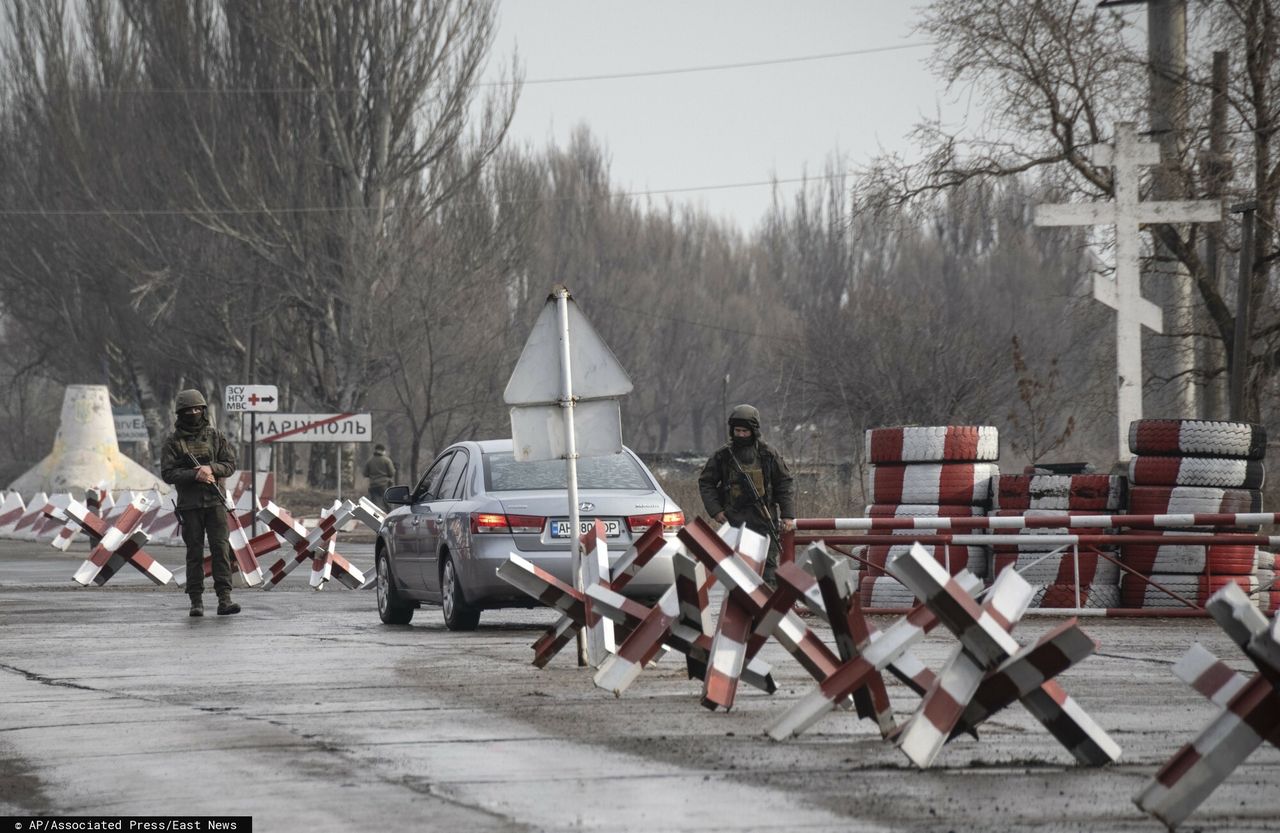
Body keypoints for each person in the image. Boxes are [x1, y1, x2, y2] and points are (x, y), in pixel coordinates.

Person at [160, 389, 240, 617]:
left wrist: (211, 469)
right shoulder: (173, 442)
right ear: (180, 413)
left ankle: (224, 598)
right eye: (189, 410)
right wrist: (193, 475)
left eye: (197, 409)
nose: (194, 413)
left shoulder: (215, 436)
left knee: (221, 550)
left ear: (203, 411)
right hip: (190, 506)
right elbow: (168, 473)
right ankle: (196, 601)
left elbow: (229, 464)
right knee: (194, 553)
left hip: (215, 502)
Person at [698, 404, 796, 586]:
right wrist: (716, 511)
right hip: (735, 523)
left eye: (745, 431)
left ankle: (766, 612)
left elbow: (784, 483)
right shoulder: (723, 456)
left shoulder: (768, 454)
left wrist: (788, 515)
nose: (741, 435)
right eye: (738, 431)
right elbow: (706, 482)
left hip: (764, 521)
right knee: (739, 575)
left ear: (754, 431)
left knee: (768, 573)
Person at [363, 443, 396, 511]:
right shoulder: (387, 460)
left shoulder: (370, 461)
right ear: (383, 451)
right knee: (387, 503)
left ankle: (375, 517)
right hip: (384, 485)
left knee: (374, 504)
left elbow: (365, 473)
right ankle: (390, 516)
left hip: (373, 485)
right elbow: (391, 473)